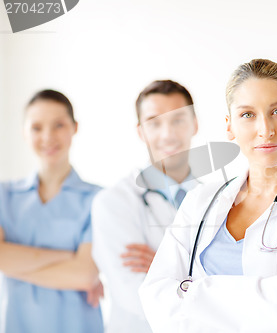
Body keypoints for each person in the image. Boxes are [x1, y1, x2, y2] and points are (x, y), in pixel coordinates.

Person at [139, 59, 277, 333]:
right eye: (248, 114)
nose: (265, 129)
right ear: (230, 126)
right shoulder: (200, 199)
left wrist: (190, 290)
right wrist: (276, 286)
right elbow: (156, 298)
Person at [91, 80, 200, 333]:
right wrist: (201, 280)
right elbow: (137, 296)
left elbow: (237, 283)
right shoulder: (113, 203)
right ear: (140, 132)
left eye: (178, 120)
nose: (167, 134)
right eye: (154, 122)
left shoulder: (221, 199)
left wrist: (164, 269)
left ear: (195, 124)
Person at [0, 90, 104, 333]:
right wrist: (70, 258)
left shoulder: (98, 198)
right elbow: (82, 271)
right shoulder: (4, 195)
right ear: (24, 132)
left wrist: (11, 261)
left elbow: (85, 275)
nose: (48, 136)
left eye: (58, 125)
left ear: (74, 127)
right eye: (36, 127)